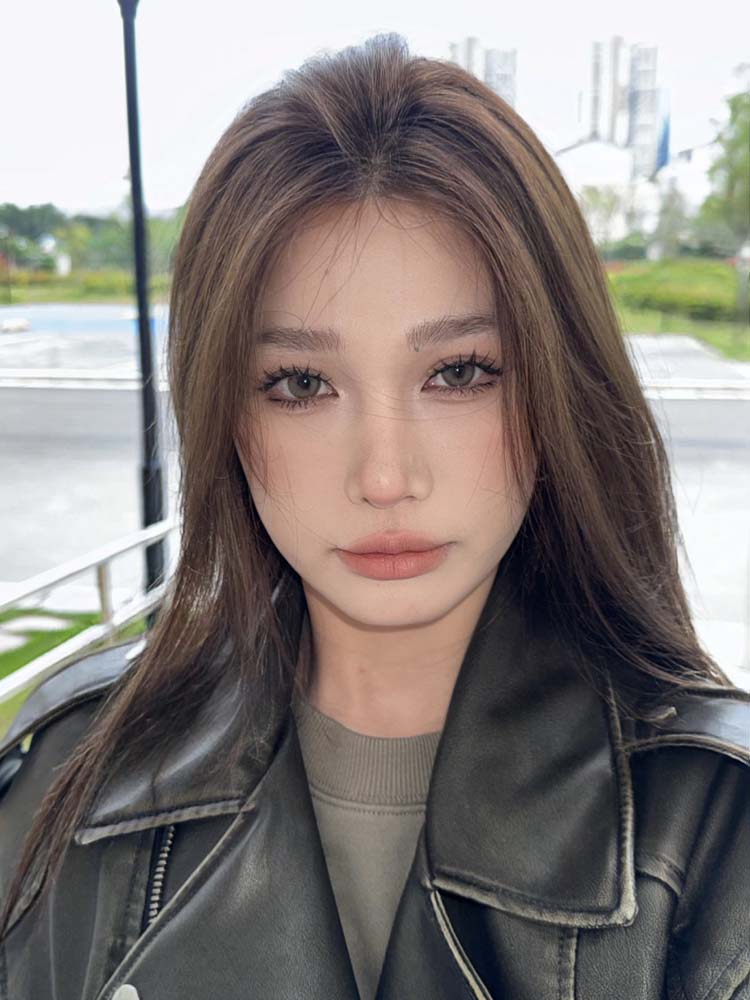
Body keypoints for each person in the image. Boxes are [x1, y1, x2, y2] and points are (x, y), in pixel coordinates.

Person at [0, 32, 748, 1000]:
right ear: (221, 409)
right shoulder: (71, 785)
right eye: (301, 383)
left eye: (460, 372)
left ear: (560, 385)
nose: (385, 477)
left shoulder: (717, 829)